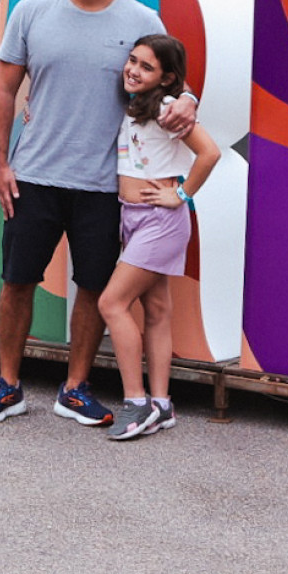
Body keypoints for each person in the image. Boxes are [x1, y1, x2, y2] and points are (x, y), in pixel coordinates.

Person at [0, 0, 196, 426]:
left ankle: (75, 388)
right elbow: (2, 89)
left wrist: (187, 98)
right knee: (17, 281)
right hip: (34, 176)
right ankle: (8, 385)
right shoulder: (33, 10)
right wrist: (0, 163)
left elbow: (171, 81)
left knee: (95, 288)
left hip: (104, 185)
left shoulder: (142, 18)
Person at [99, 35, 220, 440]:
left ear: (167, 78)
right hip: (134, 217)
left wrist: (181, 194)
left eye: (146, 67)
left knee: (112, 302)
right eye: (132, 61)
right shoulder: (137, 104)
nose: (133, 70)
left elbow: (210, 153)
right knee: (156, 310)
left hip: (159, 220)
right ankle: (162, 404)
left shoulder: (168, 108)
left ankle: (137, 402)